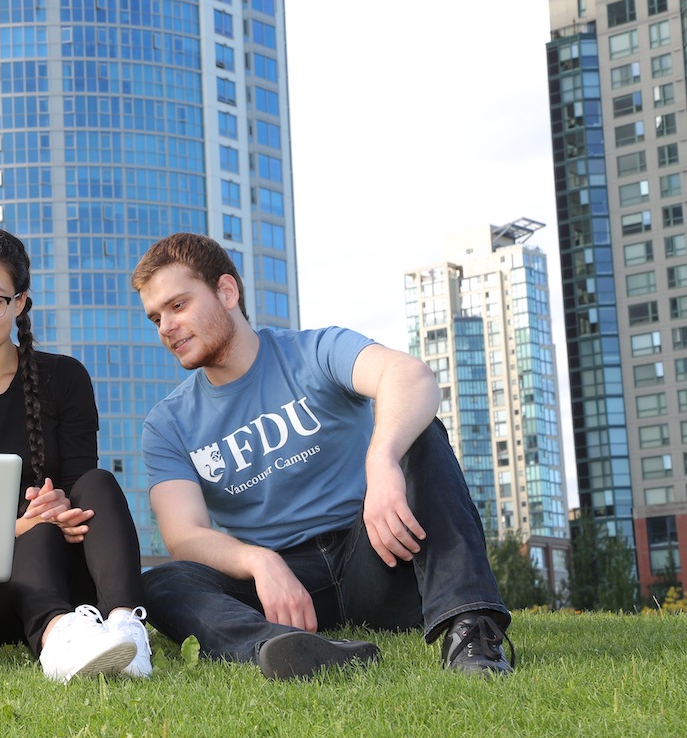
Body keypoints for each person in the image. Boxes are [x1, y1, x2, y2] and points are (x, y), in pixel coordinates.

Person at [130, 232, 514, 680]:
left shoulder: (314, 351)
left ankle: (471, 634)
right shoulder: (168, 422)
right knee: (162, 582)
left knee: (421, 432)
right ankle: (282, 648)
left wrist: (382, 458)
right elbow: (185, 534)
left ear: (226, 291)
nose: (166, 327)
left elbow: (409, 375)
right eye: (155, 317)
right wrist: (259, 561)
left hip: (378, 553)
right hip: (285, 592)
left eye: (178, 306)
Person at [0, 224, 152, 682]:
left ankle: (127, 631)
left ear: (19, 303)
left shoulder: (65, 378)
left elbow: (81, 482)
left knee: (97, 482)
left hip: (78, 576)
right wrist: (26, 524)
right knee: (36, 528)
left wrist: (59, 511)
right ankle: (57, 639)